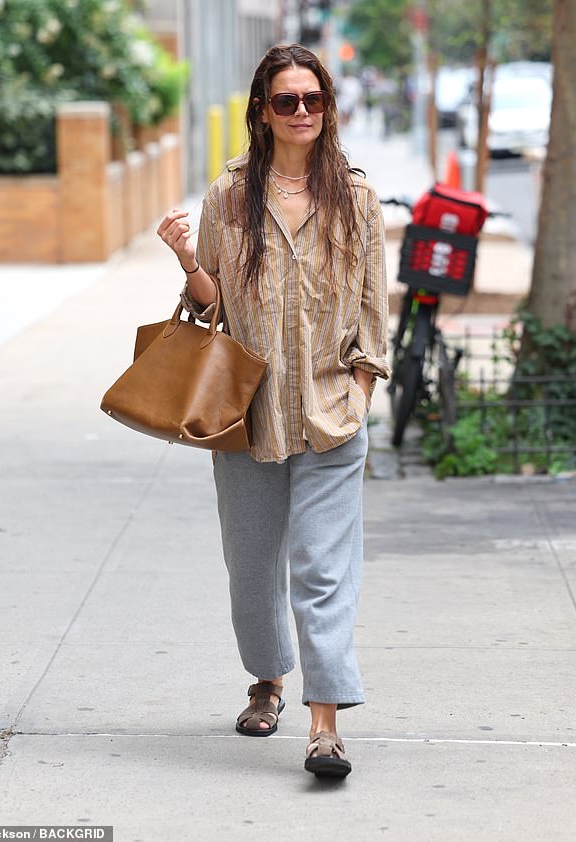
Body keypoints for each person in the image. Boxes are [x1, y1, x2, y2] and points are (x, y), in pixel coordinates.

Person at [157, 44, 389, 779]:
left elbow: (373, 310)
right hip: (247, 415)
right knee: (253, 568)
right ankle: (268, 679)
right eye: (286, 101)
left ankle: (325, 727)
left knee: (322, 570)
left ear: (327, 107)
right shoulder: (229, 196)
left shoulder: (355, 197)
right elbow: (215, 304)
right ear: (261, 109)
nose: (300, 113)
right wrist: (187, 261)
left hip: (330, 413)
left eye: (312, 100)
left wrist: (362, 391)